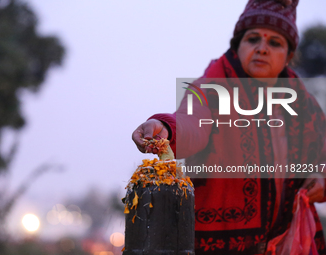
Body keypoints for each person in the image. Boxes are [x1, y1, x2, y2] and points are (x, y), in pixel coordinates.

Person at [132, 0, 326, 254]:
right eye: (252, 39)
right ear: (237, 46)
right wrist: (165, 129)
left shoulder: (305, 104)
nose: (262, 49)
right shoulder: (210, 88)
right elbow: (192, 121)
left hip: (288, 243)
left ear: (289, 56)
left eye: (275, 42)